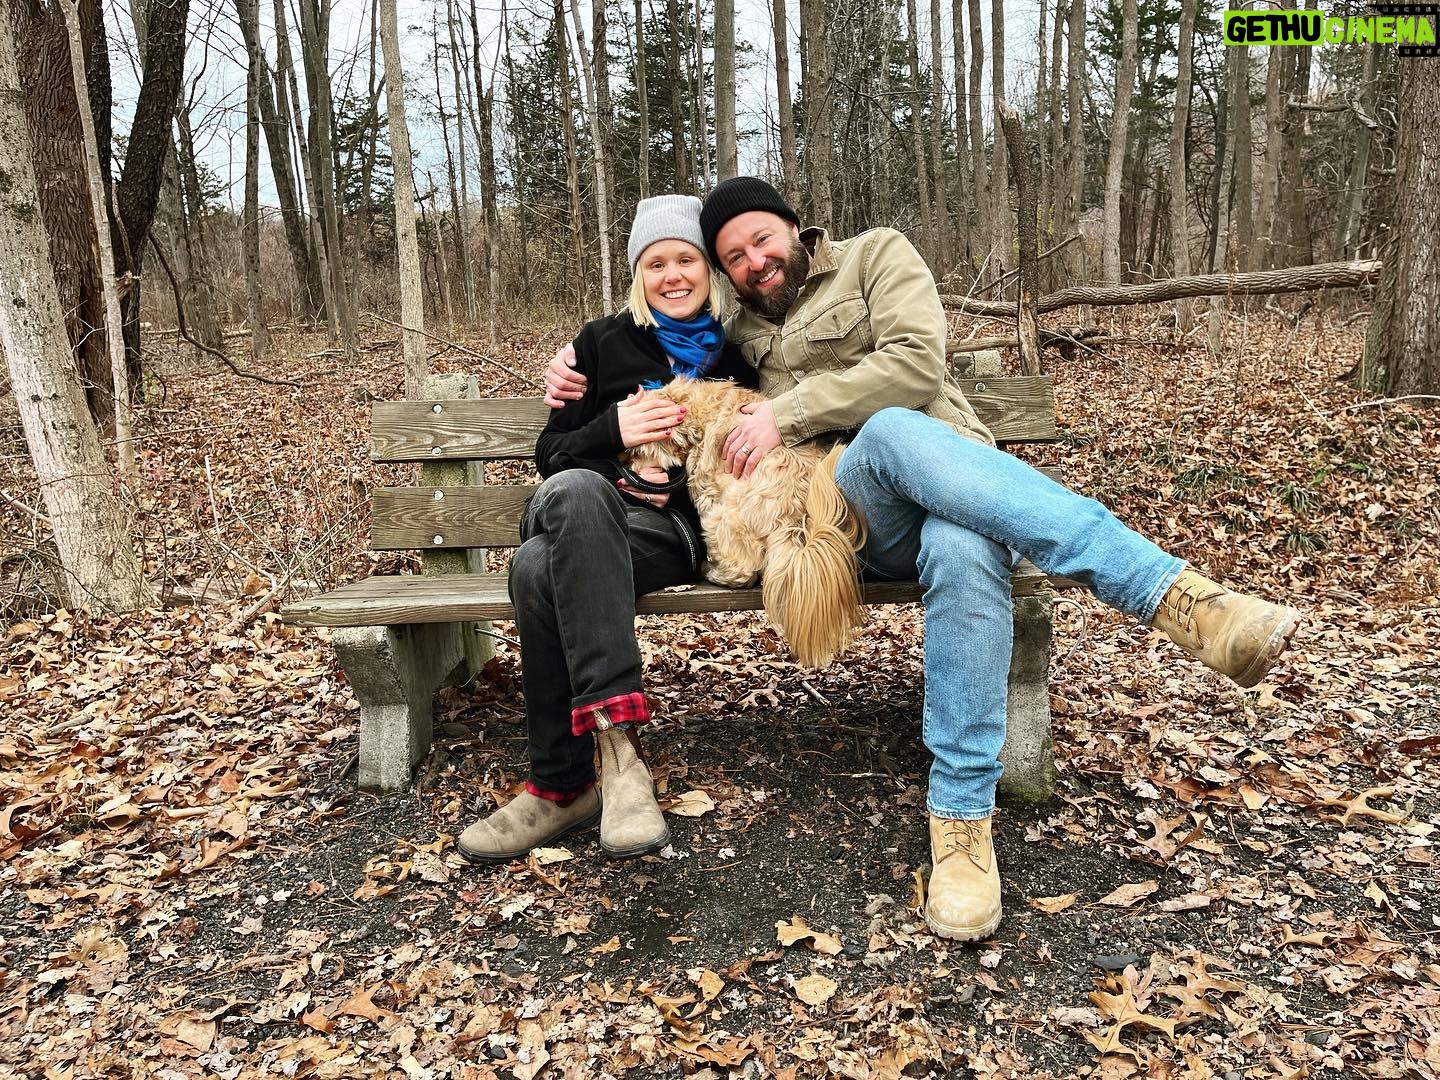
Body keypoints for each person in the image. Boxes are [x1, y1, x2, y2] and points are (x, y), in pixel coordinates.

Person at [543, 177, 1302, 940]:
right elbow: (654, 338)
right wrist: (572, 366)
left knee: (956, 531)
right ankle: (1171, 593)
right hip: (853, 516)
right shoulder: (735, 327)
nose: (753, 262)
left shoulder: (875, 257)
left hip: (956, 483)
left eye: (761, 240)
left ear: (794, 229)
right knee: (885, 439)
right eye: (733, 256)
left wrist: (786, 413)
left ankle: (963, 827)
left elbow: (914, 367)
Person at [458, 195, 758, 865]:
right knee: (576, 490)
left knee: (536, 568)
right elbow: (552, 455)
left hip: (664, 533)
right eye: (655, 263)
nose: (672, 275)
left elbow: (743, 460)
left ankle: (560, 787)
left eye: (686, 259)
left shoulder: (739, 351)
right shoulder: (599, 343)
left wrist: (673, 480)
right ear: (637, 275)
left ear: (709, 269)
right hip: (577, 506)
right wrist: (613, 431)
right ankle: (621, 759)